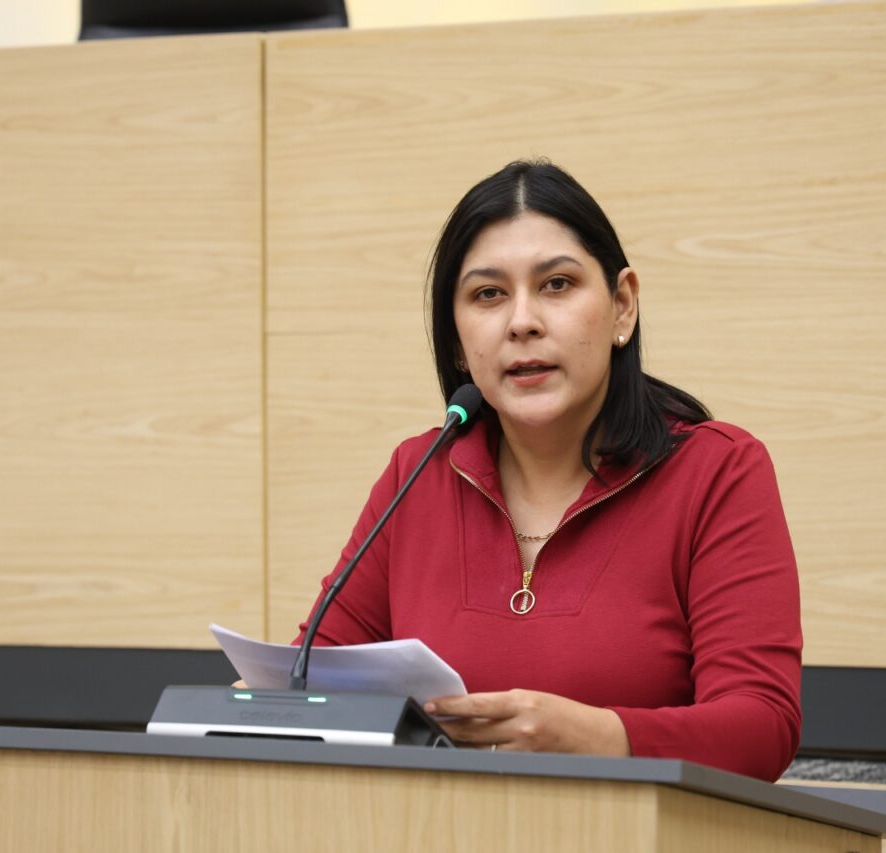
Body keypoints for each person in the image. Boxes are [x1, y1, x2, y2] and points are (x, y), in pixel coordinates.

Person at [297, 160, 802, 782]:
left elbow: (761, 728)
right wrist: (268, 704)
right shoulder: (418, 474)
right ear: (456, 340)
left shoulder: (716, 472)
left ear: (622, 306)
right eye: (488, 294)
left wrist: (599, 738)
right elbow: (312, 673)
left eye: (557, 285)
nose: (522, 322)